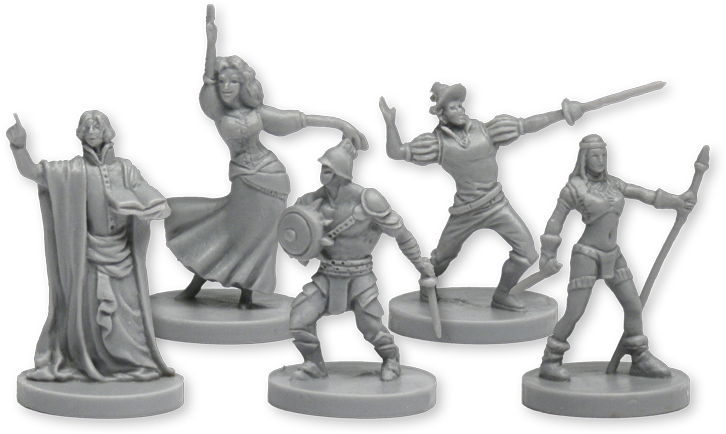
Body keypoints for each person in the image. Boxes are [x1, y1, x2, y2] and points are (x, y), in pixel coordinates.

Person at [167, 5, 368, 305]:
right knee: (229, 232)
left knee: (259, 239)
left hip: (271, 178)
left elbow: (300, 120)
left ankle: (246, 296)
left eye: (234, 82)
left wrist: (341, 124)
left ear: (244, 85)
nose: (227, 87)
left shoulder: (258, 113)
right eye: (223, 82)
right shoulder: (219, 112)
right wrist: (211, 43)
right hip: (244, 180)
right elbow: (207, 82)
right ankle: (194, 286)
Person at [7, 111, 174, 382]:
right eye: (87, 126)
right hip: (89, 255)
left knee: (127, 315)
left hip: (122, 254)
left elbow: (145, 192)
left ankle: (133, 363)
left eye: (97, 125)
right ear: (80, 134)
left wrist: (154, 205)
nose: (92, 130)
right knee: (92, 317)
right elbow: (33, 172)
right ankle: (94, 363)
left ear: (107, 131)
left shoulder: (125, 169)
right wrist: (19, 147)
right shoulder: (72, 171)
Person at [379, 83, 574, 311]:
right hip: (465, 211)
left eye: (460, 105)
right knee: (442, 258)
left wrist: (563, 114)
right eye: (453, 107)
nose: (460, 110)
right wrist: (390, 124)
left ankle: (502, 295)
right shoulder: (436, 144)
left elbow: (527, 125)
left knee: (527, 253)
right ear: (441, 114)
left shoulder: (487, 131)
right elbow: (397, 153)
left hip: (496, 204)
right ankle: (426, 288)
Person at [537, 134, 694, 381]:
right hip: (587, 255)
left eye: (603, 155)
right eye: (595, 156)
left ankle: (639, 357)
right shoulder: (574, 189)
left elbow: (645, 195)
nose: (600, 160)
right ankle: (550, 361)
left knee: (633, 305)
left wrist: (678, 201)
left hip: (613, 254)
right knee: (575, 312)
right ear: (584, 159)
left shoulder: (614, 184)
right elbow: (556, 221)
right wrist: (547, 254)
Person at [284, 140, 434, 381]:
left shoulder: (368, 200)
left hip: (359, 276)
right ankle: (314, 365)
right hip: (326, 275)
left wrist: (420, 264)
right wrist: (307, 248)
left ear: (342, 171)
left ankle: (391, 359)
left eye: (330, 169)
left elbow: (401, 234)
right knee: (299, 320)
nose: (325, 173)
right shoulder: (310, 202)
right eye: (324, 167)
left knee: (371, 328)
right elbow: (294, 239)